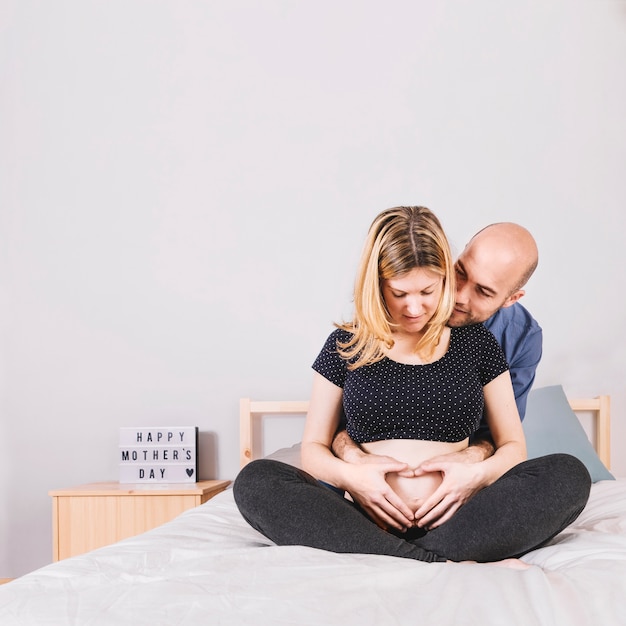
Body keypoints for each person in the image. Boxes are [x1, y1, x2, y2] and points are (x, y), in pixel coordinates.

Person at [233, 206, 590, 564]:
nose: (416, 308)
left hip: (461, 518)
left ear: (510, 298)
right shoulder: (346, 343)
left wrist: (474, 472)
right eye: (400, 293)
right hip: (367, 519)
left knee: (568, 474)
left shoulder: (481, 343)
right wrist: (353, 477)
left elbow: (511, 445)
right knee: (256, 480)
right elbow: (314, 447)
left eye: (427, 292)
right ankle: (426, 559)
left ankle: (394, 557)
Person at [332, 221, 543, 531]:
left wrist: (472, 466)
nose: (457, 295)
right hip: (367, 496)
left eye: (483, 291)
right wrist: (355, 465)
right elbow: (337, 427)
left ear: (511, 298)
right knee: (270, 481)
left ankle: (428, 547)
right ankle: (418, 551)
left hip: (460, 502)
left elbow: (503, 438)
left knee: (565, 474)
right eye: (459, 272)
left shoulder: (517, 338)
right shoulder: (401, 309)